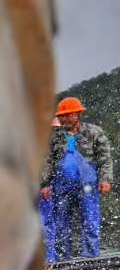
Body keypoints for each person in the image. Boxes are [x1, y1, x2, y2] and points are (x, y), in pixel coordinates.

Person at [41, 96, 114, 261]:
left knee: (90, 219)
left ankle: (91, 257)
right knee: (61, 223)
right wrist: (45, 184)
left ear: (77, 114)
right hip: (61, 186)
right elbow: (47, 162)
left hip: (87, 184)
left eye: (67, 115)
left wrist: (105, 180)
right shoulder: (54, 138)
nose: (64, 119)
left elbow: (105, 158)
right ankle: (62, 260)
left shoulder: (94, 132)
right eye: (61, 116)